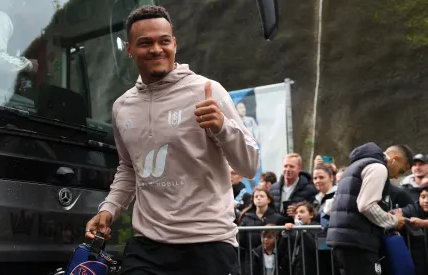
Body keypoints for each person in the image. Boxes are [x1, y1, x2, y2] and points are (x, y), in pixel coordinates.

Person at [84, 5, 260, 275]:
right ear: (130, 49)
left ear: (174, 44)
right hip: (148, 247)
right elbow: (129, 168)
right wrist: (108, 210)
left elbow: (249, 166)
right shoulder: (122, 107)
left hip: (209, 244)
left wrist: (224, 127)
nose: (156, 49)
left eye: (164, 41)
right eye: (145, 43)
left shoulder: (207, 91)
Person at [326, 142, 413, 275]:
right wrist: (393, 220)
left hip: (344, 240)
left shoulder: (355, 166)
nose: (397, 176)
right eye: (401, 171)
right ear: (395, 159)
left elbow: (340, 205)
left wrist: (384, 213)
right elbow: (366, 205)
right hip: (358, 242)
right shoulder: (378, 168)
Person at [269, 153, 317, 223]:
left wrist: (298, 212)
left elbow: (314, 212)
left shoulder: (310, 189)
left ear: (299, 168)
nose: (288, 169)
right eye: (285, 166)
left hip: (298, 230)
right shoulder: (273, 188)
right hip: (277, 229)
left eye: (291, 166)